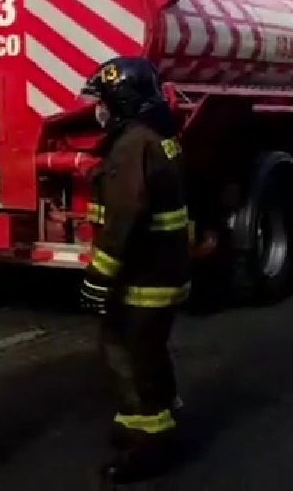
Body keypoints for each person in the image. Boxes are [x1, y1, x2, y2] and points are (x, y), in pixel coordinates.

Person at [77, 57, 192, 485]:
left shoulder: (132, 145)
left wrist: (98, 276)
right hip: (159, 271)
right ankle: (143, 422)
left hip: (141, 277)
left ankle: (150, 444)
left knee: (132, 356)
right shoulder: (156, 138)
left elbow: (124, 217)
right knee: (147, 352)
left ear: (122, 101)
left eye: (104, 101)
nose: (99, 110)